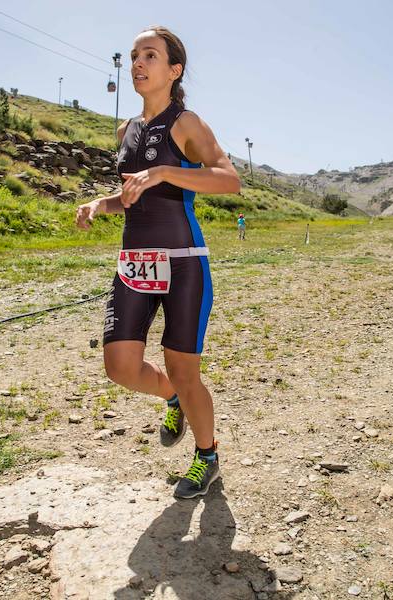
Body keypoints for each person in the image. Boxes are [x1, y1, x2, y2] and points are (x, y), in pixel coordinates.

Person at [75, 26, 240, 499]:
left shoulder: (186, 123)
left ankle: (206, 455)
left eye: (150, 55)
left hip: (183, 262)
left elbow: (230, 181)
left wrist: (167, 170)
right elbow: (134, 196)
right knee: (120, 366)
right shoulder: (126, 130)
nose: (138, 64)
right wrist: (99, 205)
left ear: (174, 70)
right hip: (135, 262)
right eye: (133, 56)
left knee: (186, 368)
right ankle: (170, 397)